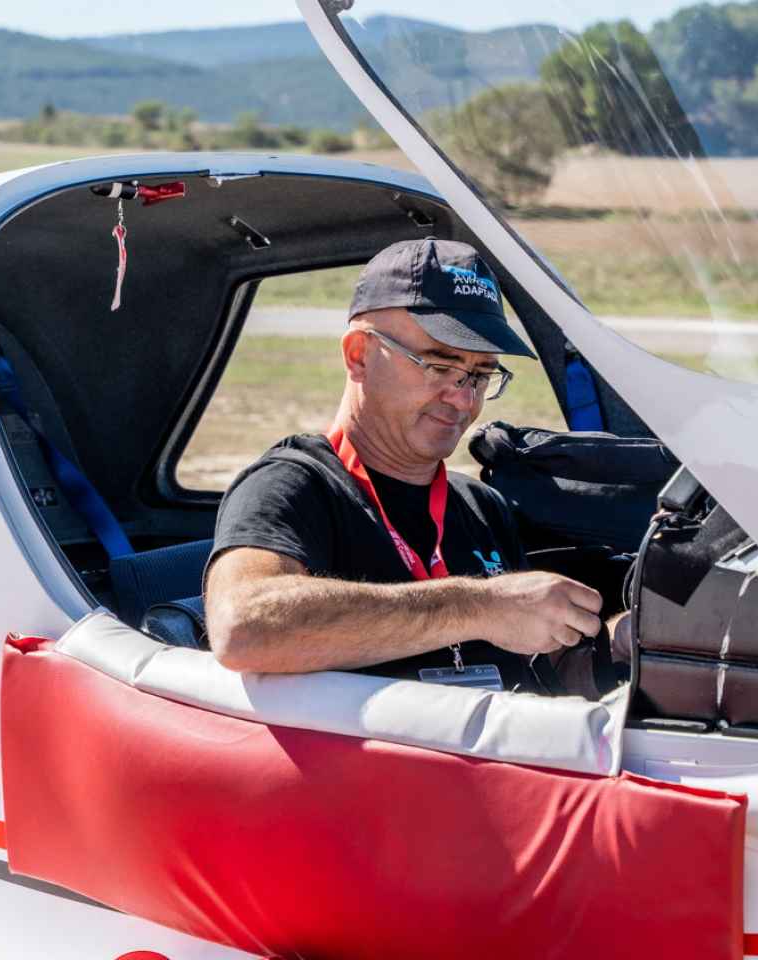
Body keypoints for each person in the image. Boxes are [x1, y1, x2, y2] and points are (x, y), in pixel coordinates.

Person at [203, 238, 606, 692]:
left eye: (481, 374)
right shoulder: (292, 485)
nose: (464, 398)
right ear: (359, 355)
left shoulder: (480, 506)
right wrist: (476, 608)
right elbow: (244, 627)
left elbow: (546, 673)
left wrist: (628, 647)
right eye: (439, 365)